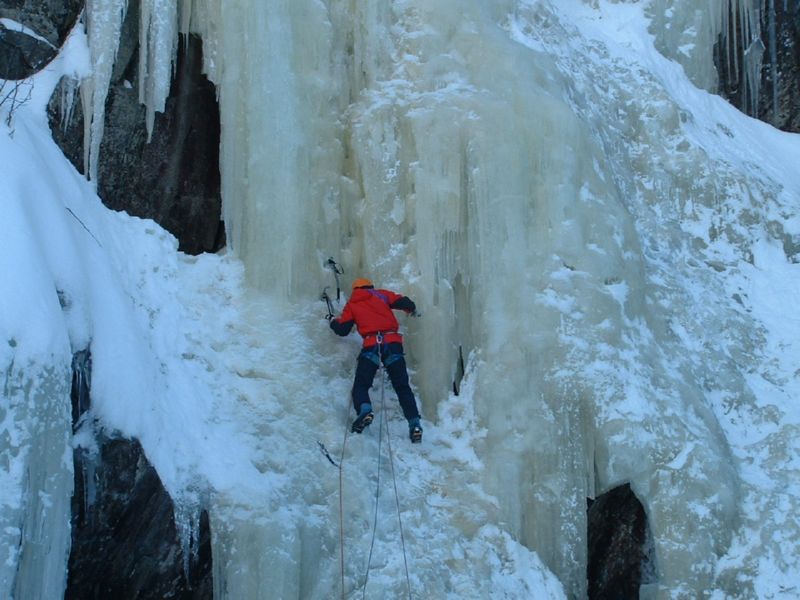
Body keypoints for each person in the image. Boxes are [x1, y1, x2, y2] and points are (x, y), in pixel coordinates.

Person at [329, 277, 423, 443]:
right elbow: (405, 302)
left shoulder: (352, 304)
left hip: (372, 345)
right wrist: (411, 310)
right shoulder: (381, 294)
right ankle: (414, 424)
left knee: (361, 384)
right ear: (370, 287)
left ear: (355, 290)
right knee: (402, 387)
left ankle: (365, 409)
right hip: (393, 344)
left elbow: (343, 329)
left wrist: (332, 321)